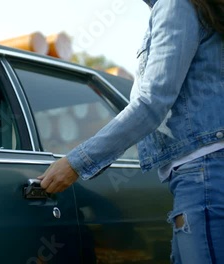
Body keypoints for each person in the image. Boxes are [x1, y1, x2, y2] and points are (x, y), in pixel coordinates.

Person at [37, 0, 224, 263]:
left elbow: (152, 103)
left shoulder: (176, 5)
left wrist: (76, 163)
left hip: (202, 174)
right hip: (200, 173)